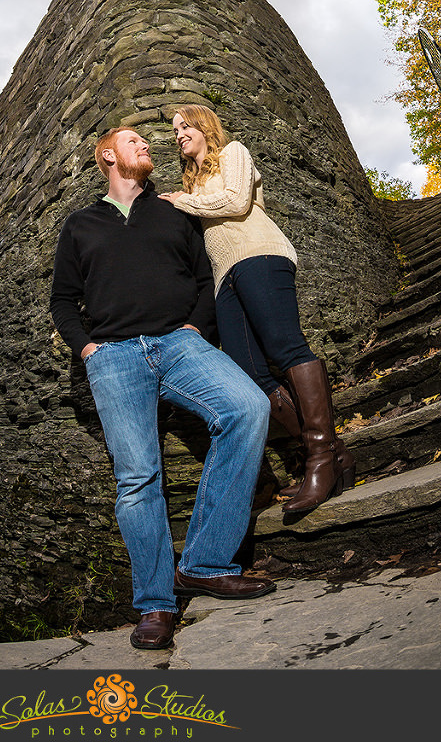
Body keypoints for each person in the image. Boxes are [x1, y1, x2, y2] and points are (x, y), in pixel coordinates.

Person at [50, 125, 276, 651]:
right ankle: (155, 605)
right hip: (114, 357)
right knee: (137, 479)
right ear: (108, 154)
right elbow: (63, 300)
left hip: (179, 343)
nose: (147, 146)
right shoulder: (81, 225)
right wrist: (87, 349)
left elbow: (205, 278)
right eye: (134, 142)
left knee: (247, 407)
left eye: (147, 143)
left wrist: (197, 327)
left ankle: (204, 562)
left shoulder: (174, 210)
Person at [160, 105, 356, 522]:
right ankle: (335, 455)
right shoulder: (191, 184)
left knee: (286, 348)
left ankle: (319, 458)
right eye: (174, 130)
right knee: (249, 370)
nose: (177, 134)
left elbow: (234, 201)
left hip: (260, 256)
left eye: (184, 126)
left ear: (204, 126)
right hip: (224, 275)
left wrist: (184, 202)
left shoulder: (233, 153)